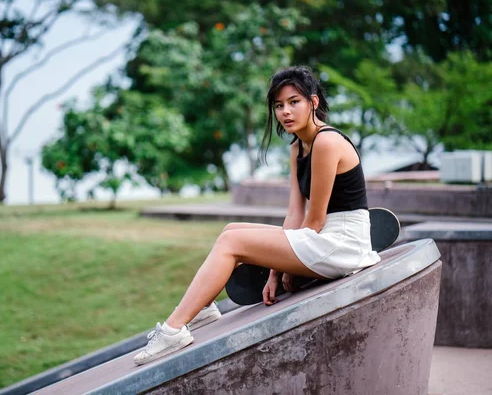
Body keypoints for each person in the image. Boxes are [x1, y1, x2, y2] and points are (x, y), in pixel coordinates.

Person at [133, 66, 380, 366]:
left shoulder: (327, 142)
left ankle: (173, 330)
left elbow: (314, 221)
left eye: (294, 102)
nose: (285, 112)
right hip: (321, 236)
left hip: (342, 241)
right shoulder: (297, 148)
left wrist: (278, 268)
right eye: (279, 105)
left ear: (313, 102)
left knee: (231, 244)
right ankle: (203, 309)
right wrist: (277, 267)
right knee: (230, 230)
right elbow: (294, 214)